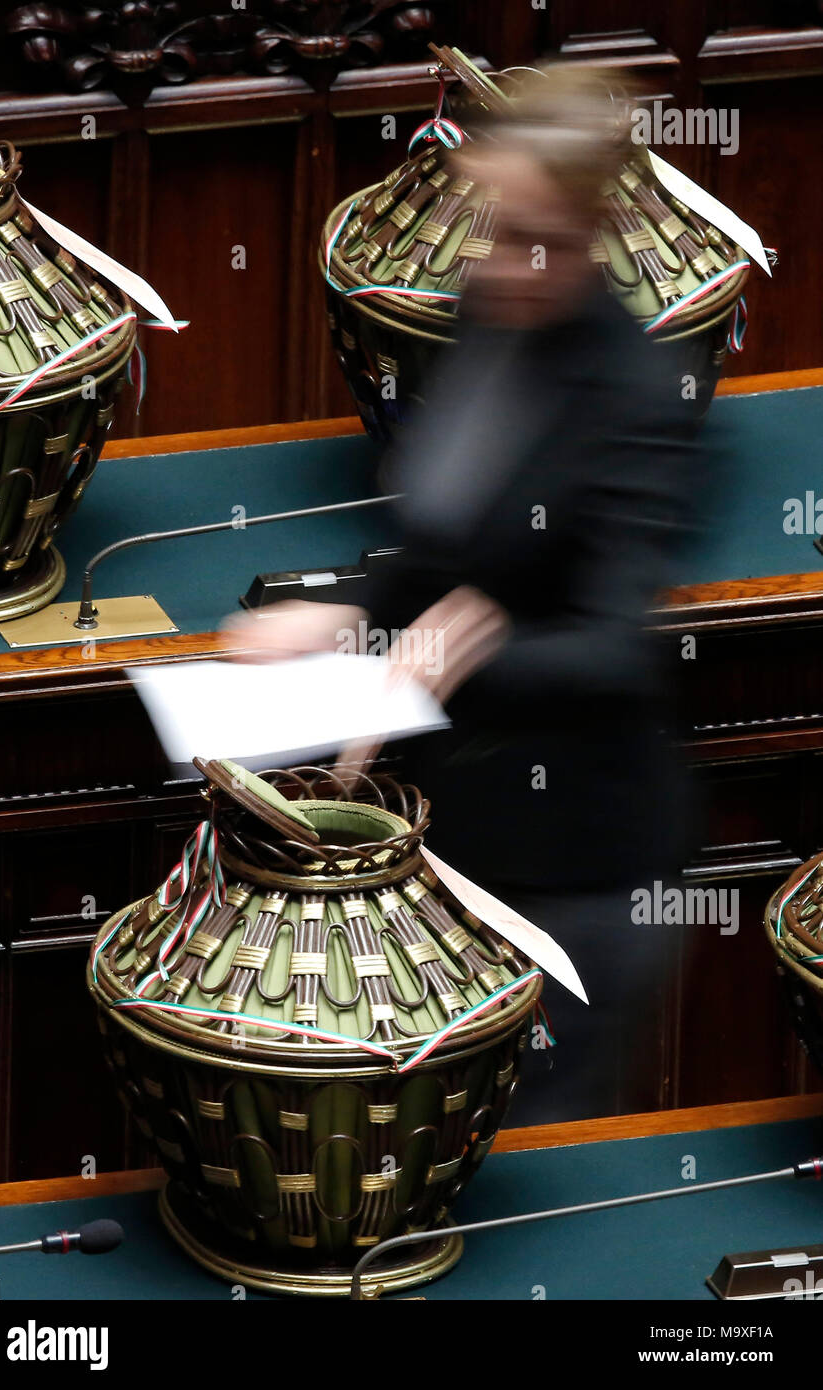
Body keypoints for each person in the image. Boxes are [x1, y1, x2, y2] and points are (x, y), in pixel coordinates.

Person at [224, 67, 718, 1123]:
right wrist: (349, 608)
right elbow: (444, 542)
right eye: (487, 226)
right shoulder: (491, 319)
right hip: (455, 836)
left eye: (525, 232)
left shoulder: (637, 397)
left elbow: (615, 649)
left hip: (572, 870)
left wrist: (474, 646)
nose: (494, 260)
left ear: (583, 229)